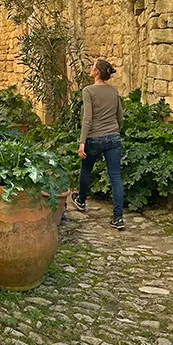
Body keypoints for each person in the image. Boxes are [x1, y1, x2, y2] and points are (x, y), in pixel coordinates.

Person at [71, 59, 125, 230]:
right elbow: (120, 117)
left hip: (94, 138)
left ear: (97, 72)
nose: (90, 68)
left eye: (92, 66)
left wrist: (82, 142)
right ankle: (118, 218)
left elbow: (87, 118)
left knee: (86, 169)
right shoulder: (114, 91)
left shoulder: (88, 91)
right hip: (113, 138)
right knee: (115, 177)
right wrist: (115, 130)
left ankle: (81, 200)